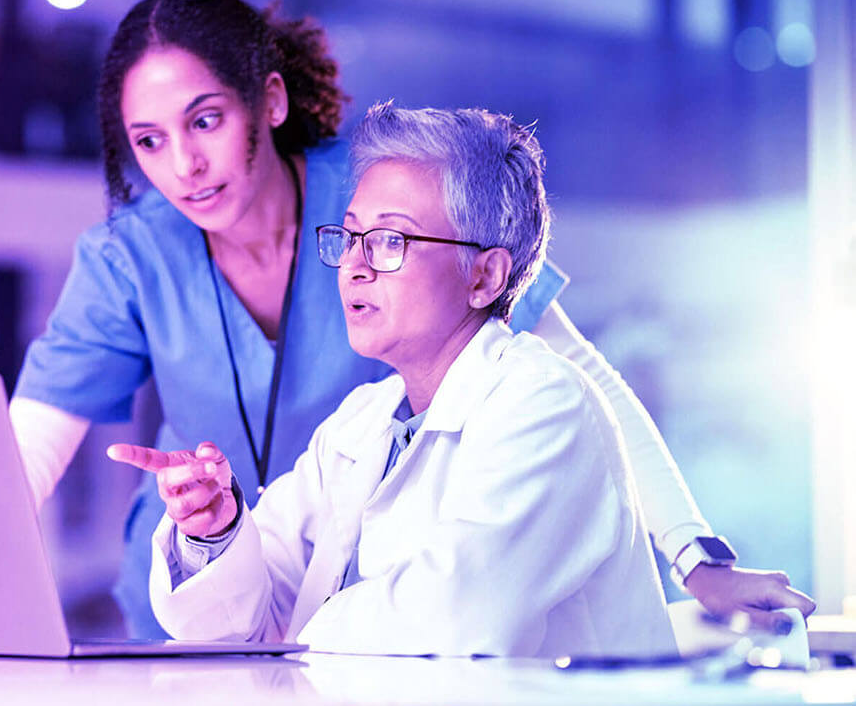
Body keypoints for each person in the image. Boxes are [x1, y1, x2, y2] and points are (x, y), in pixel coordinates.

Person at [9, 0, 814, 639]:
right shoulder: (134, 257)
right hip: (231, 595)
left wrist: (694, 556)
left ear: (271, 103)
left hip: (370, 617)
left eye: (206, 121)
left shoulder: (387, 198)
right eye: (147, 142)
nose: (183, 166)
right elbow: (25, 458)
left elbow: (582, 380)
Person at [112, 103, 675, 656]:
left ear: (484, 276)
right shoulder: (363, 421)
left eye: (389, 241)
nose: (355, 264)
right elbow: (250, 611)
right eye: (351, 236)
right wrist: (216, 533)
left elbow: (457, 618)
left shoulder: (544, 404)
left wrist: (292, 641)